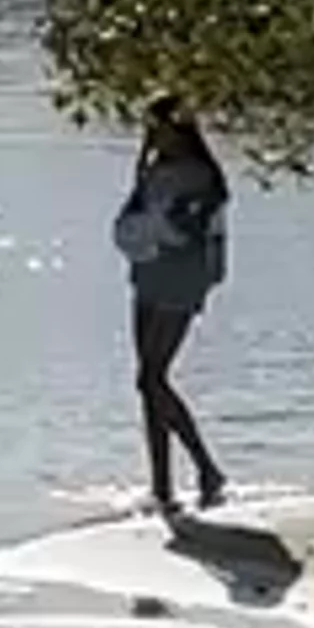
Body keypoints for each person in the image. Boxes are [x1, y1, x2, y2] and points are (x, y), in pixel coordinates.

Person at [114, 99, 230, 517]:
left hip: (180, 279)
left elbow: (200, 232)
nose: (152, 136)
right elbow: (133, 219)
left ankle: (206, 469)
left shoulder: (202, 178)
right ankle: (162, 485)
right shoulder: (151, 171)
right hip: (147, 273)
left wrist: (208, 277)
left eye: (158, 128)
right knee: (146, 382)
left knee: (151, 377)